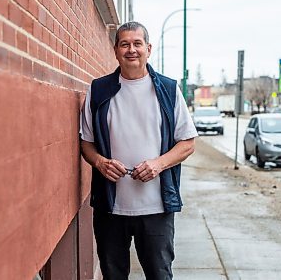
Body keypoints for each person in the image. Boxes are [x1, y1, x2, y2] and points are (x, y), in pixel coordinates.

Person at [80, 21, 198, 279]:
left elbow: (187, 143)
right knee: (113, 275)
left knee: (159, 274)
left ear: (148, 48)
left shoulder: (168, 90)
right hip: (111, 208)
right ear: (115, 50)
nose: (131, 49)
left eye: (137, 43)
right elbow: (86, 144)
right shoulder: (98, 90)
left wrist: (158, 164)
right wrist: (100, 163)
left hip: (156, 207)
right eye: (125, 44)